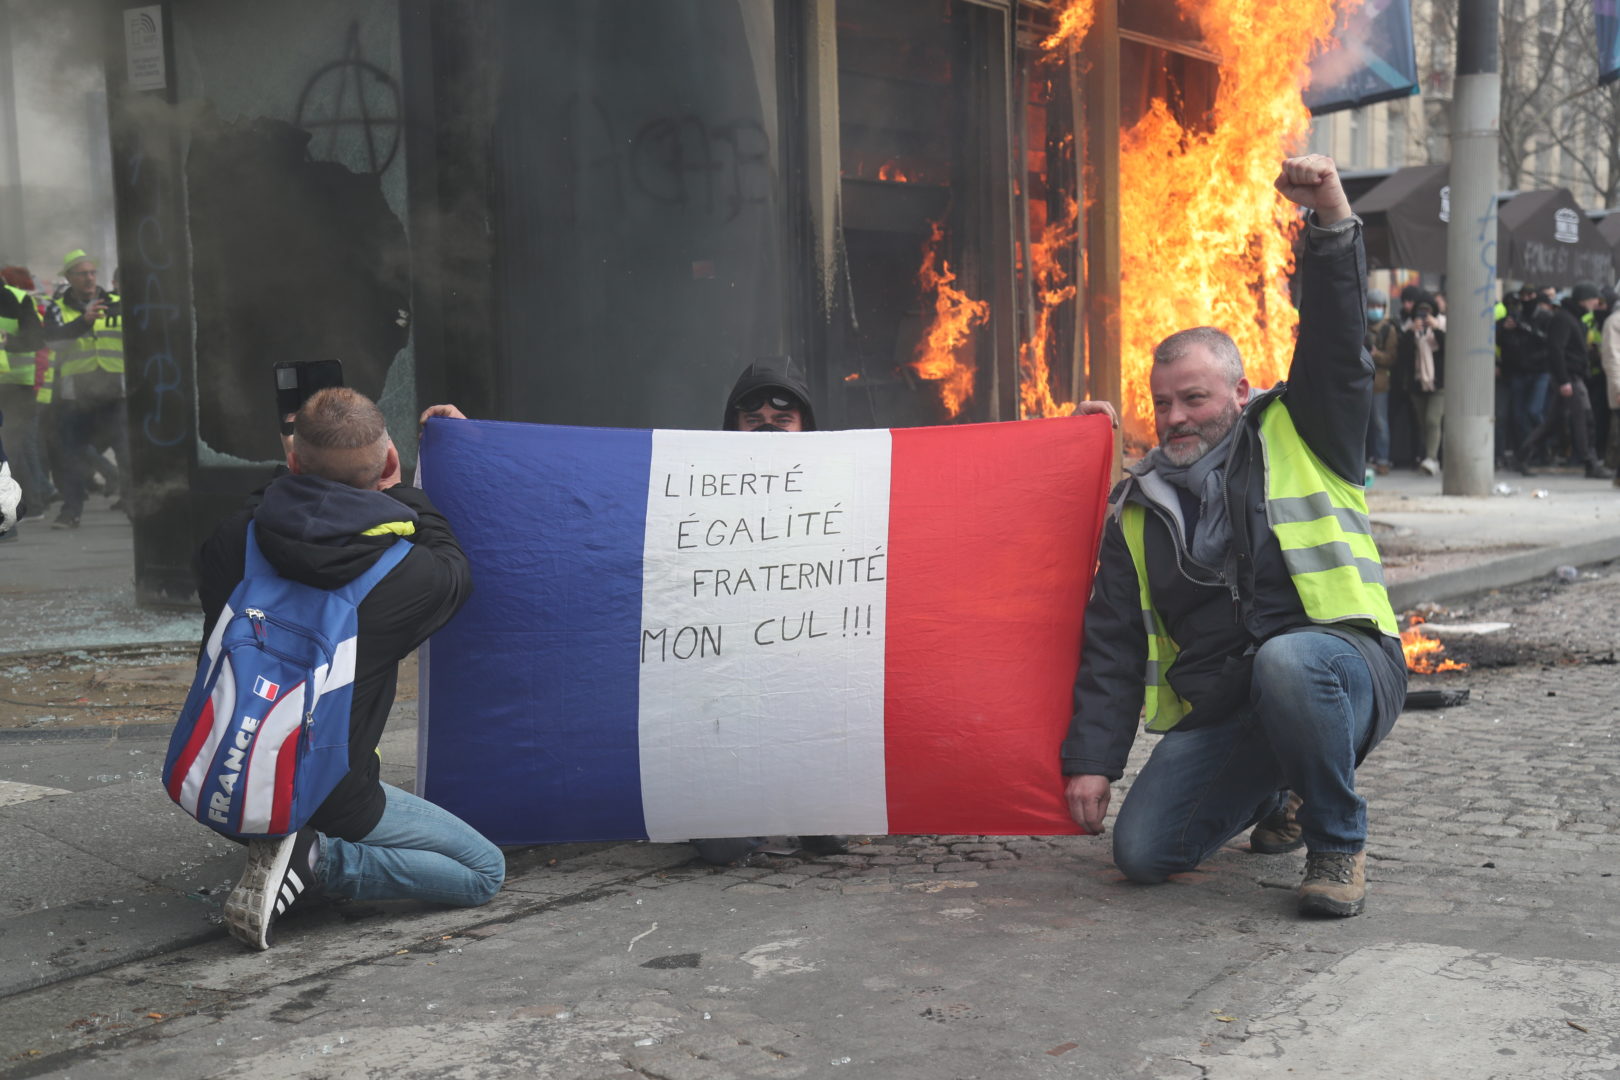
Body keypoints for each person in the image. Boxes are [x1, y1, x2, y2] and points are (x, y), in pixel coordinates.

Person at [1060, 155, 1407, 918]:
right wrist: (1092, 762)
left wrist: (1331, 220)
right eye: (1162, 404)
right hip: (1232, 706)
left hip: (1345, 668)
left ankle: (1337, 843)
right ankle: (1281, 786)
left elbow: (1339, 346)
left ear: (1240, 393)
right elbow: (1112, 645)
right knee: (1143, 852)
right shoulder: (1137, 511)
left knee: (1288, 660)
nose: (1175, 418)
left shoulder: (1306, 431)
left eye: (1194, 398)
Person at [195, 388, 503, 949]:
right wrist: (413, 480)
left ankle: (283, 838)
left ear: (293, 462)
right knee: (484, 871)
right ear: (388, 464)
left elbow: (271, 507)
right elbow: (452, 561)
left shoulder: (231, 539)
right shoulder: (409, 576)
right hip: (330, 794)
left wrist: (303, 473)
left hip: (223, 779)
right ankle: (316, 859)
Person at [42, 250, 129, 527]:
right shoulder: (57, 308)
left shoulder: (117, 303)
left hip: (115, 392)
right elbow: (52, 342)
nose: (89, 278)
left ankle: (135, 506)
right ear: (69, 278)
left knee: (127, 452)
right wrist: (84, 322)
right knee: (71, 454)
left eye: (92, 273)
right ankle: (71, 510)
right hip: (76, 395)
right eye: (82, 274)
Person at [1518, 289, 1610, 479]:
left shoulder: (1570, 318)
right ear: (1584, 299)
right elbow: (1556, 350)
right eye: (1594, 299)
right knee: (1584, 420)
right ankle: (1589, 462)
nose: (1596, 304)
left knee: (1553, 422)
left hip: (1571, 377)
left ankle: (1523, 455)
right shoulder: (1564, 319)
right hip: (1570, 378)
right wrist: (1564, 380)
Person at [0, 269, 47, 521]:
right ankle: (32, 504)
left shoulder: (17, 299)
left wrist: (8, 343)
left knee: (14, 449)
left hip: (16, 388)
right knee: (14, 450)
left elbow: (36, 339)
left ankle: (26, 508)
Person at [1396, 300, 1445, 476]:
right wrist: (1411, 333)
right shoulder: (1409, 329)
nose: (1424, 316)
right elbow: (1403, 354)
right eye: (1421, 312)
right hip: (1417, 383)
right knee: (1423, 423)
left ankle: (1432, 459)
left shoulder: (1442, 325)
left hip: (1438, 384)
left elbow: (1448, 348)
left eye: (1427, 312)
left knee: (1433, 420)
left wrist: (1436, 329)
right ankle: (1430, 456)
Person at [1363, 288, 1397, 474]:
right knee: (1363, 425)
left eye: (1378, 306)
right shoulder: (1361, 325)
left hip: (1380, 384)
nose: (1374, 309)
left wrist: (1376, 355)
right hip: (1361, 383)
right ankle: (1367, 459)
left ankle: (1382, 459)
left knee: (1380, 423)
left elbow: (1392, 357)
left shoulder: (1388, 329)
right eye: (1372, 305)